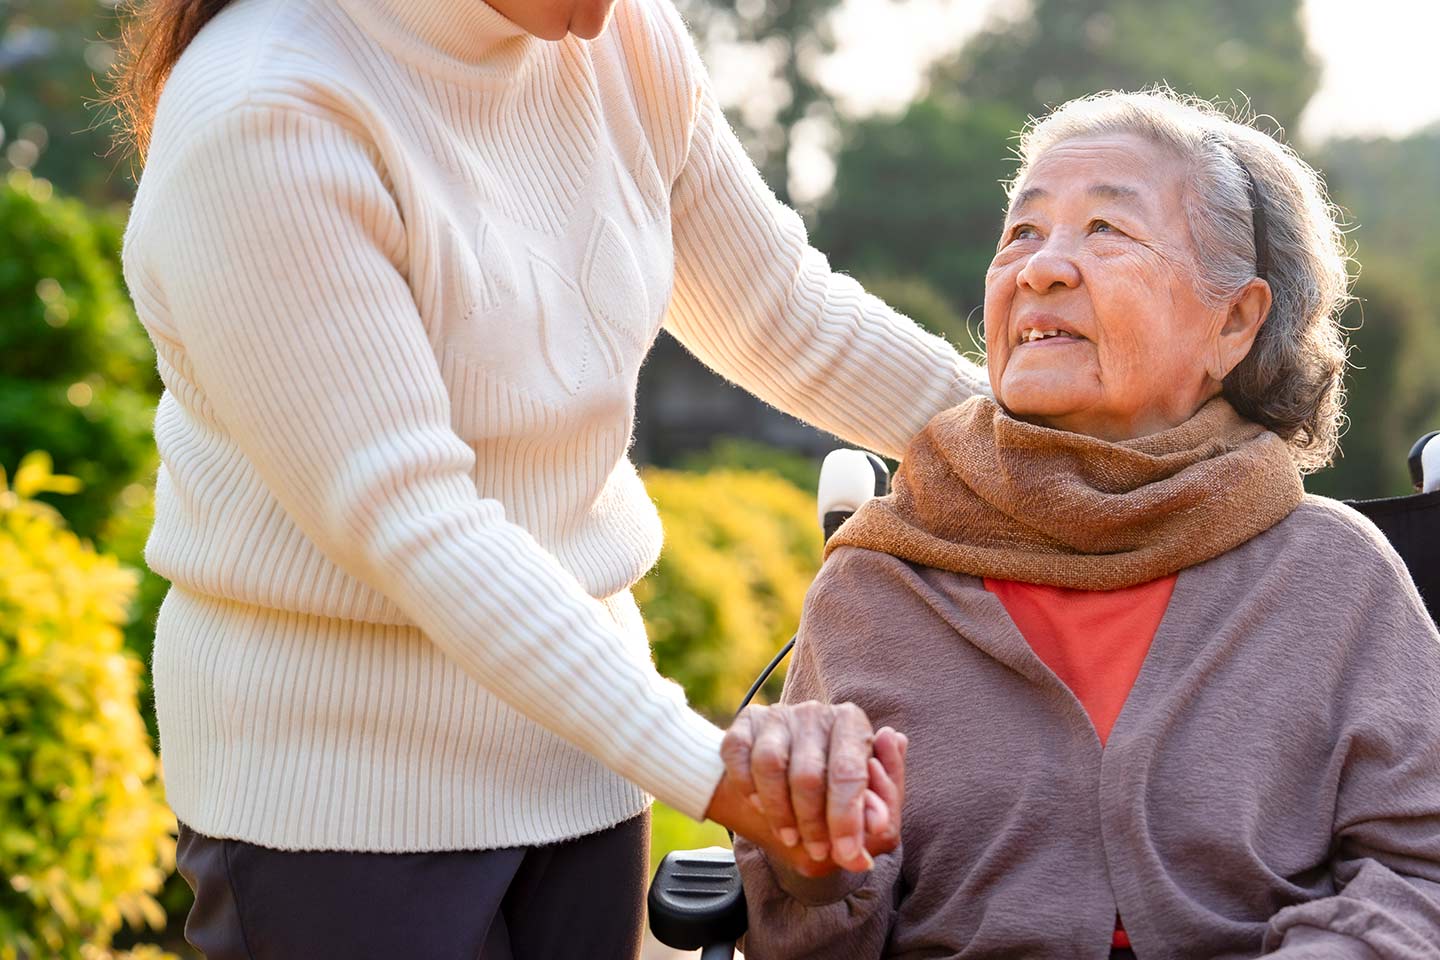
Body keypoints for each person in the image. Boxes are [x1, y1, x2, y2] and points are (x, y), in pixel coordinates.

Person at [106, 0, 970, 955]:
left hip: (580, 777)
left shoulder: (621, 41)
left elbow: (785, 312)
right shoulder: (264, 109)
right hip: (336, 816)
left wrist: (1065, 447)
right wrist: (715, 768)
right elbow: (414, 520)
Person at [735, 88, 1440, 958]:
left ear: (1234, 321)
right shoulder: (882, 580)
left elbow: (1424, 874)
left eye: (1107, 231)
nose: (1041, 269)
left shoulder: (1336, 578)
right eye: (1022, 234)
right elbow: (812, 935)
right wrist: (812, 865)